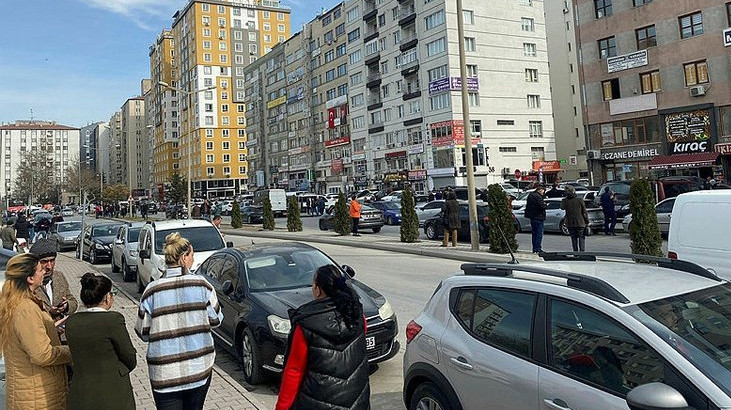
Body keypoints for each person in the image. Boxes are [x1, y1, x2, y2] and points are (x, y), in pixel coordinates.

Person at [135, 232, 223, 410]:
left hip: (164, 373)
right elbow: (216, 320)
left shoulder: (151, 290)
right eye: (192, 255)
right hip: (198, 369)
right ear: (183, 257)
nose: (193, 259)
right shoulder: (202, 285)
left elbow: (142, 332)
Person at [275, 264, 369, 410]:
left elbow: (294, 372)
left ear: (318, 290)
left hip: (317, 402)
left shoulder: (306, 324)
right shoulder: (356, 315)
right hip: (355, 400)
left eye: (313, 284)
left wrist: (282, 407)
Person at [0, 253, 73, 410]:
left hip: (35, 392)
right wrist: (71, 351)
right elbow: (42, 355)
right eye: (40, 269)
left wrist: (51, 331)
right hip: (36, 397)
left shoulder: (18, 303)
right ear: (30, 278)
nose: (44, 271)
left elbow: (27, 338)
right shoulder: (25, 308)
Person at [66, 273, 137, 410]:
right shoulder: (113, 320)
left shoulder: (72, 322)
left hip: (80, 394)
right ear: (107, 297)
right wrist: (119, 370)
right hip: (113, 393)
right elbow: (129, 357)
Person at [30, 238, 79, 321]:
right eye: (44, 262)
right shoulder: (29, 283)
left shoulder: (59, 276)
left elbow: (73, 301)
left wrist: (66, 306)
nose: (49, 266)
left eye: (52, 261)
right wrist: (49, 312)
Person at [561, 185, 590, 252]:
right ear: (574, 191)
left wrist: (565, 198)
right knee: (581, 237)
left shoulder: (565, 201)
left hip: (570, 222)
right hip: (580, 222)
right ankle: (582, 252)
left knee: (573, 238)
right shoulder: (579, 200)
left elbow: (562, 208)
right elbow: (584, 212)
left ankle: (575, 252)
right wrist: (587, 221)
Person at [525, 183, 547, 253]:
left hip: (532, 217)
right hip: (539, 217)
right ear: (540, 190)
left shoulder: (530, 195)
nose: (543, 192)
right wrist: (545, 204)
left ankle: (535, 248)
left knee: (534, 234)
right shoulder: (538, 197)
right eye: (543, 190)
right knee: (539, 234)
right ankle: (537, 248)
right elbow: (542, 206)